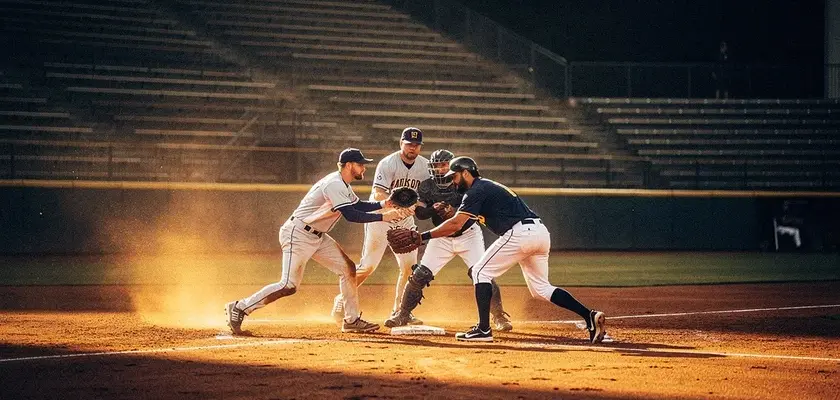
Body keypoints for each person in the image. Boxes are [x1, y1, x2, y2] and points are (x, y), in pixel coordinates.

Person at [411, 156, 606, 343]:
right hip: (539, 232)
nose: (453, 182)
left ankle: (483, 329)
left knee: (480, 272)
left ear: (465, 173)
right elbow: (460, 221)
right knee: (541, 289)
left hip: (520, 233)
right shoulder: (485, 187)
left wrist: (422, 237)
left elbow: (455, 224)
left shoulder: (476, 190)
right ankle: (589, 316)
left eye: (454, 176)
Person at [224, 148, 412, 335]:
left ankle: (351, 320)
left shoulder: (343, 185)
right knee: (288, 285)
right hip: (297, 235)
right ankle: (240, 307)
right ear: (348, 165)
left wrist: (383, 204)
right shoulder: (334, 184)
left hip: (317, 237)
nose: (364, 168)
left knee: (348, 269)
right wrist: (383, 218)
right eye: (360, 164)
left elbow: (358, 205)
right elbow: (351, 215)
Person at [384, 149, 513, 331]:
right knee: (420, 275)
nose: (440, 169)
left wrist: (454, 210)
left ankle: (499, 316)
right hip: (441, 236)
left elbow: (473, 209)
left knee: (482, 274)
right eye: (436, 166)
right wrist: (433, 209)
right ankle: (402, 314)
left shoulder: (463, 184)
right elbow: (420, 214)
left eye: (443, 165)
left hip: (468, 234)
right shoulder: (427, 186)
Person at [332, 127, 430, 325]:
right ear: (401, 144)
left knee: (409, 267)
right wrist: (396, 207)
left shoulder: (425, 166)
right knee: (368, 266)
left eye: (416, 145)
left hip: (405, 219)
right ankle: (342, 299)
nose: (413, 148)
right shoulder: (388, 163)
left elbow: (426, 197)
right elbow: (378, 193)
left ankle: (401, 312)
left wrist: (414, 207)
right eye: (409, 144)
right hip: (381, 217)